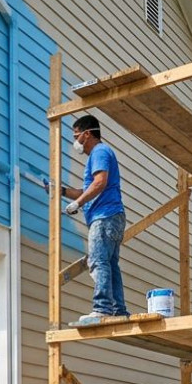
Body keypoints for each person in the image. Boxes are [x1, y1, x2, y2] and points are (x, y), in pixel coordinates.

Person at [55, 115, 127, 324]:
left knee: (97, 260)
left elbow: (99, 183)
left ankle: (102, 308)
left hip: (104, 216)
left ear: (87, 134)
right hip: (111, 216)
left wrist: (78, 204)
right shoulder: (100, 154)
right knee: (110, 264)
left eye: (77, 136)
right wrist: (61, 191)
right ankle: (118, 310)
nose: (76, 141)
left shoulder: (99, 152)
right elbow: (86, 190)